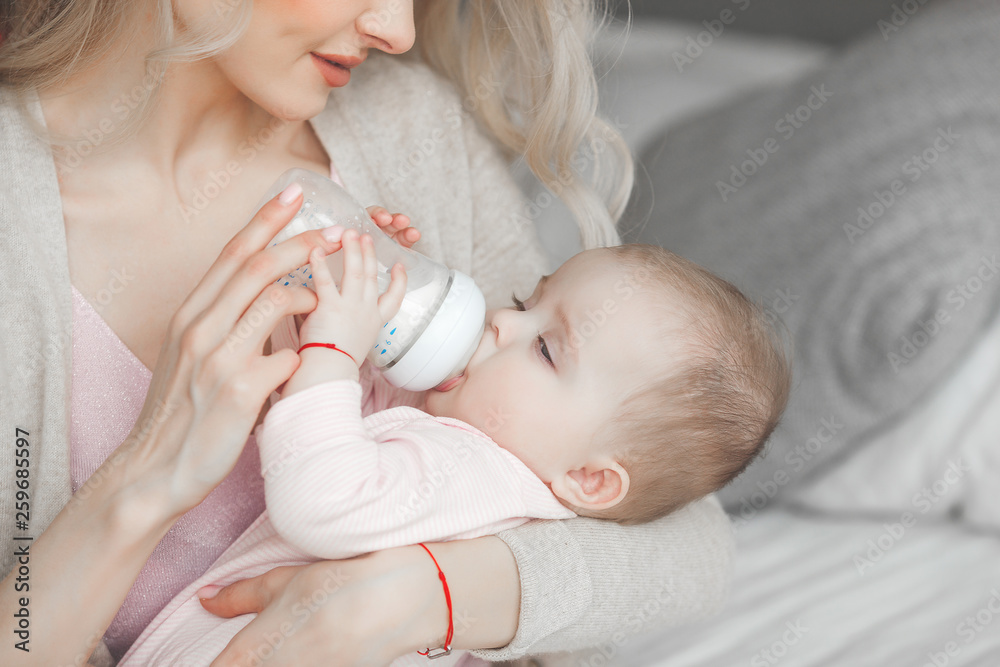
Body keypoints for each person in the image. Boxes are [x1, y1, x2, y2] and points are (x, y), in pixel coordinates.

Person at [0, 1, 734, 665]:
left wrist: (426, 595)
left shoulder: (409, 128)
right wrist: (144, 478)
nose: (400, 30)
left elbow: (690, 538)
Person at [118, 233, 790, 666]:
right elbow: (347, 440)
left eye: (547, 347)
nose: (503, 318)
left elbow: (322, 499)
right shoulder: (467, 456)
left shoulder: (476, 473)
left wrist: (331, 350)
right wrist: (367, 327)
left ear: (588, 477)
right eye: (529, 300)